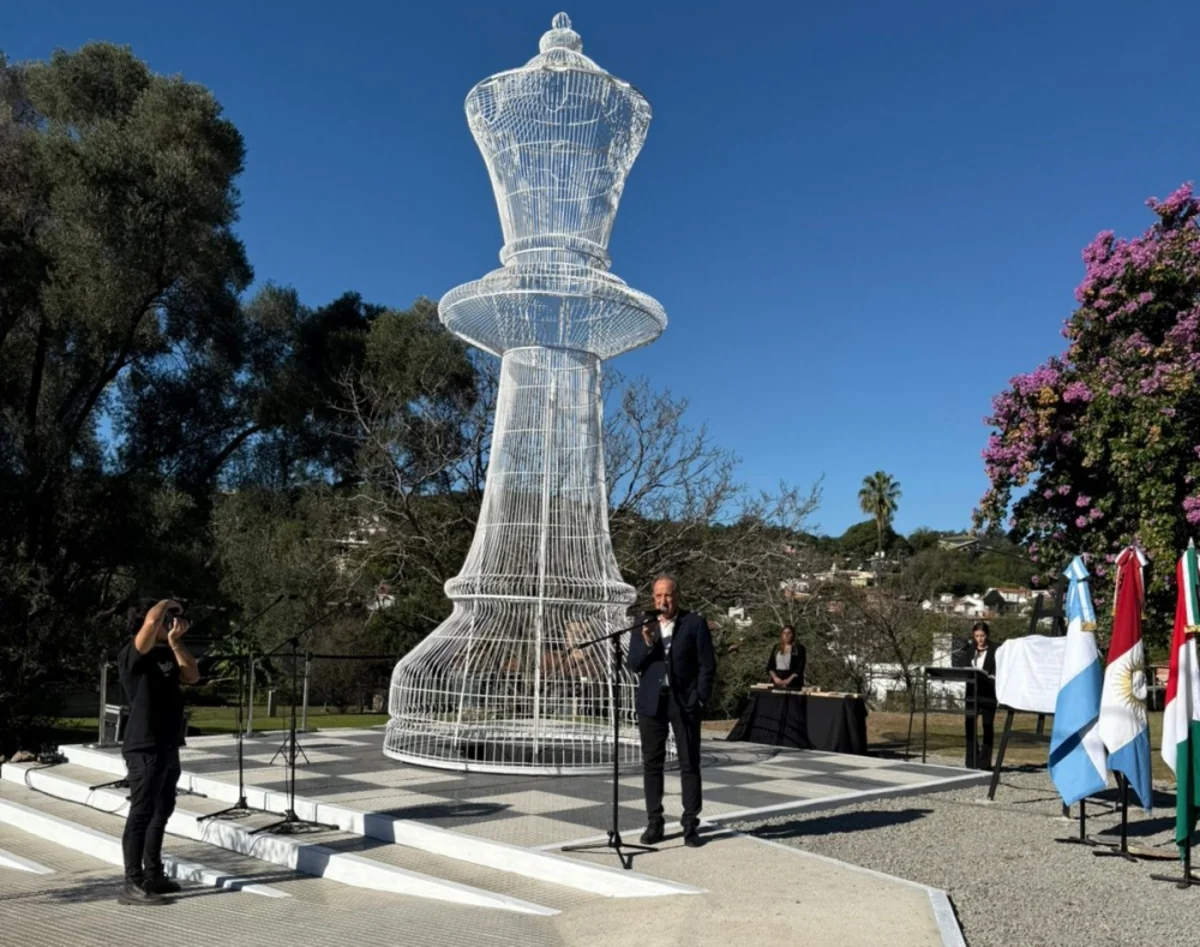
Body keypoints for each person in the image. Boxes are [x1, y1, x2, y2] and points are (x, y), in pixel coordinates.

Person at [117, 598, 200, 905]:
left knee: (162, 809)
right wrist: (167, 602)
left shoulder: (168, 652)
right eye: (169, 621)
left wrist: (177, 641)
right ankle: (132, 882)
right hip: (143, 745)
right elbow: (150, 623)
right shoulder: (133, 653)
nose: (171, 625)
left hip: (167, 743)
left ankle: (154, 873)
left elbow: (192, 676)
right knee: (141, 812)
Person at [626, 575, 716, 849]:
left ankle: (690, 823)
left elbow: (707, 665)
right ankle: (655, 821)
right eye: (657, 596)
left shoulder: (694, 624)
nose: (662, 601)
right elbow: (634, 664)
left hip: (684, 702)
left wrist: (699, 698)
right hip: (652, 702)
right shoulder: (643, 623)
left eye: (667, 595)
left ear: (677, 596)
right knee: (652, 763)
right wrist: (649, 641)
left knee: (689, 763)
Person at [964, 620, 997, 770]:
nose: (980, 639)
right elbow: (961, 665)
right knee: (970, 726)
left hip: (988, 693)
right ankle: (971, 761)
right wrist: (972, 654)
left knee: (987, 726)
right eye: (977, 636)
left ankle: (985, 762)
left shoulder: (996, 649)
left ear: (987, 635)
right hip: (972, 692)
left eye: (982, 636)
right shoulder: (970, 649)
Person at [766, 625, 806, 689]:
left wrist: (788, 680)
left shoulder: (799, 648)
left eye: (789, 633)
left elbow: (800, 667)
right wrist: (775, 678)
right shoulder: (776, 647)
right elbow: (770, 666)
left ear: (793, 634)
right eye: (784, 633)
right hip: (777, 681)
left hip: (793, 683)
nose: (786, 635)